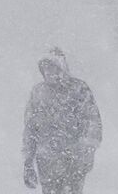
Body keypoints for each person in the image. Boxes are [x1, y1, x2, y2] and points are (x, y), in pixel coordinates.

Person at [21, 47, 101, 194]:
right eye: (45, 68)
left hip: (73, 162)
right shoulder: (38, 93)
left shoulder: (79, 89)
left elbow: (93, 122)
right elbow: (30, 130)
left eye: (52, 68)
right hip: (47, 163)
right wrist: (28, 162)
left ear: (62, 68)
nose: (49, 72)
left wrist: (86, 151)